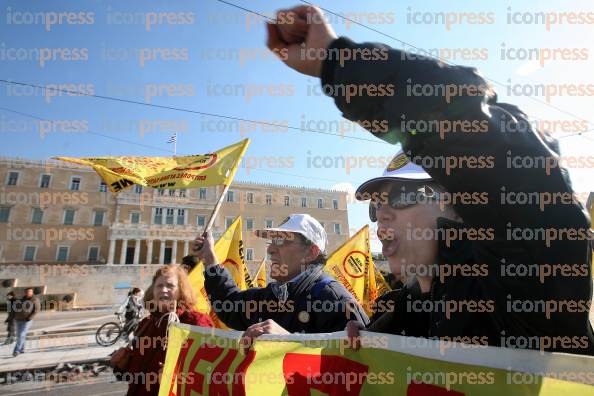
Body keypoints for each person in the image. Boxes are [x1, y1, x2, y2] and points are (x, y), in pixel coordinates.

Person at [266, 5, 594, 355]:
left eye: (403, 198)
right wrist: (293, 346)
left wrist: (336, 63)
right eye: (376, 208)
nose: (383, 216)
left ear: (457, 205)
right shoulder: (399, 315)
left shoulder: (513, 288)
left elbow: (509, 164)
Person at [194, 214, 369, 346]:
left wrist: (288, 342)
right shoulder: (270, 295)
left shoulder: (337, 301)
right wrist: (209, 259)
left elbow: (354, 372)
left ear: (311, 252)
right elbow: (229, 304)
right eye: (271, 241)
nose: (270, 249)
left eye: (281, 241)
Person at [124, 265, 213, 396]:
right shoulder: (146, 323)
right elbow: (135, 372)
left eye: (170, 286)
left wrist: (178, 378)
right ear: (153, 291)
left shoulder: (196, 323)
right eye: (159, 286)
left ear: (181, 291)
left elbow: (209, 372)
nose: (163, 290)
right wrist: (123, 364)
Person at [12, 287, 40, 357]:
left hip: (27, 320)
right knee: (20, 335)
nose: (29, 293)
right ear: (25, 292)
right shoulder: (21, 299)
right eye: (27, 291)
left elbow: (36, 310)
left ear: (32, 292)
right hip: (18, 319)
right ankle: (22, 349)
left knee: (21, 334)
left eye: (30, 292)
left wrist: (30, 318)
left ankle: (16, 350)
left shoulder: (35, 299)